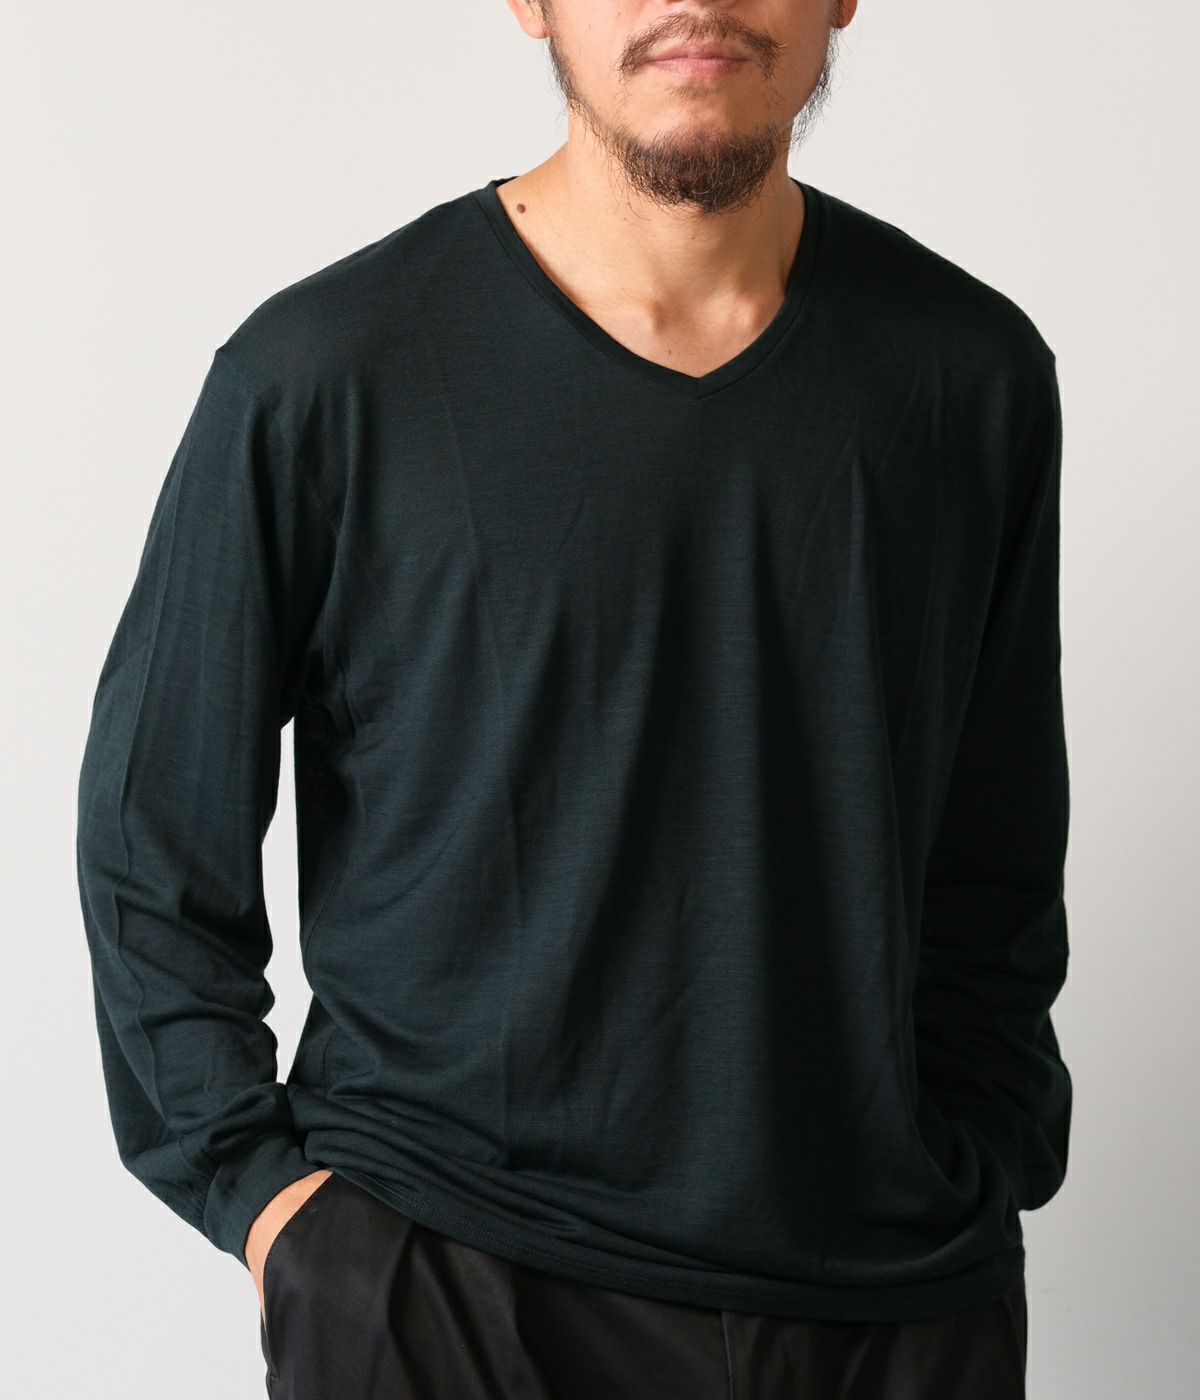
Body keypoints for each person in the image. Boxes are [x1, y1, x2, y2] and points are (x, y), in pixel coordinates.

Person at [75, 1, 1069, 1395]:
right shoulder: (323, 376)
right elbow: (150, 835)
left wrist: (986, 1148)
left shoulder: (972, 376)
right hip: (449, 1290)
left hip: (893, 1303)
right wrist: (271, 1207)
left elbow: (997, 845)